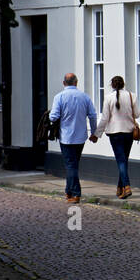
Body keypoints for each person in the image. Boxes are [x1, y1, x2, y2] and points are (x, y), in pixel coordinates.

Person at [50, 72, 98, 203]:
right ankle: (68, 191)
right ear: (76, 83)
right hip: (80, 136)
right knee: (73, 164)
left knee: (70, 165)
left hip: (66, 136)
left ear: (64, 83)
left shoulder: (59, 97)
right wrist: (94, 133)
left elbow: (53, 117)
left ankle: (76, 193)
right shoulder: (85, 97)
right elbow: (93, 115)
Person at [95, 75, 140, 199]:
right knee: (124, 160)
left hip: (114, 133)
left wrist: (96, 134)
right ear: (123, 84)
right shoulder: (132, 96)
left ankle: (126, 186)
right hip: (129, 132)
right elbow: (137, 114)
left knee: (121, 160)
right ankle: (120, 189)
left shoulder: (108, 98)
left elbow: (104, 118)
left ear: (112, 85)